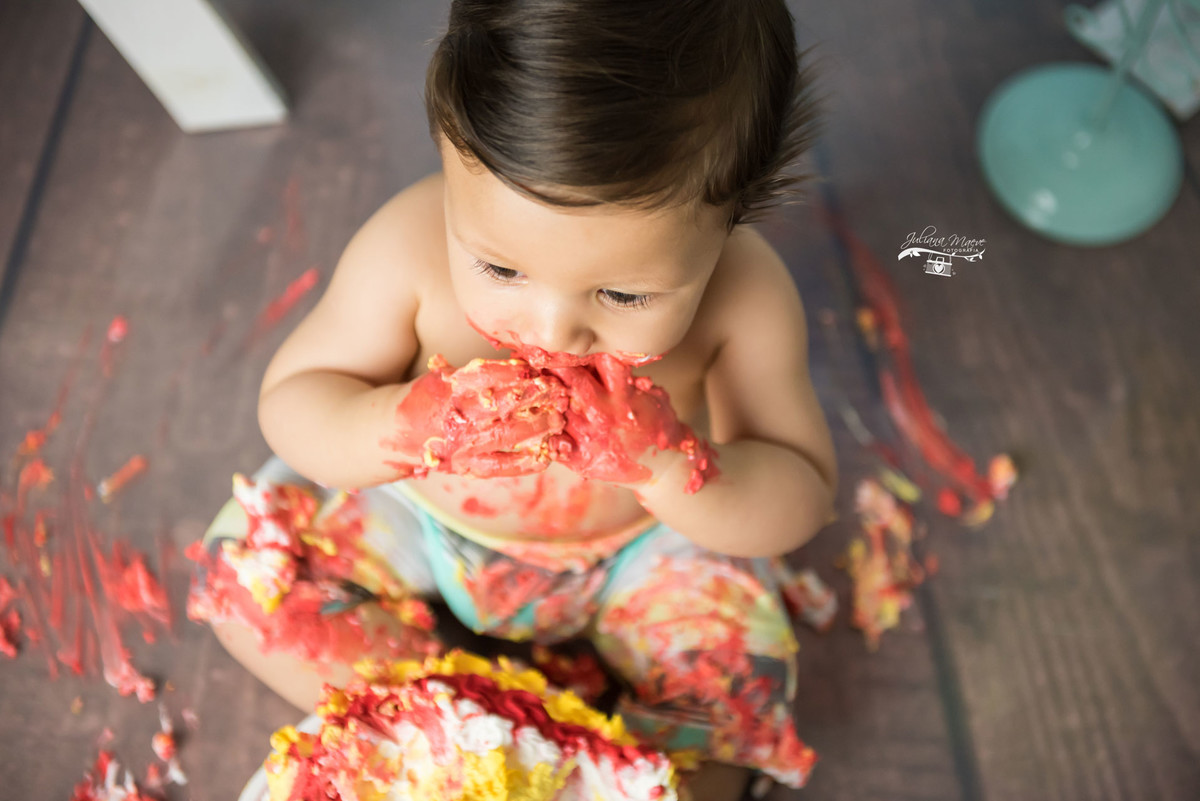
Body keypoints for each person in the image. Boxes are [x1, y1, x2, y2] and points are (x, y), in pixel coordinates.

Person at [194, 2, 837, 799]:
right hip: (427, 518)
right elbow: (296, 401)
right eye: (501, 270)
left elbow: (800, 489)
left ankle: (580, 757)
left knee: (735, 695)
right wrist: (403, 423)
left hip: (639, 549)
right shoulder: (408, 248)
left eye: (624, 293)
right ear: (450, 157)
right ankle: (464, 720)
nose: (554, 330)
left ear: (734, 217)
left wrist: (671, 464)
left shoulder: (748, 298)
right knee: (250, 581)